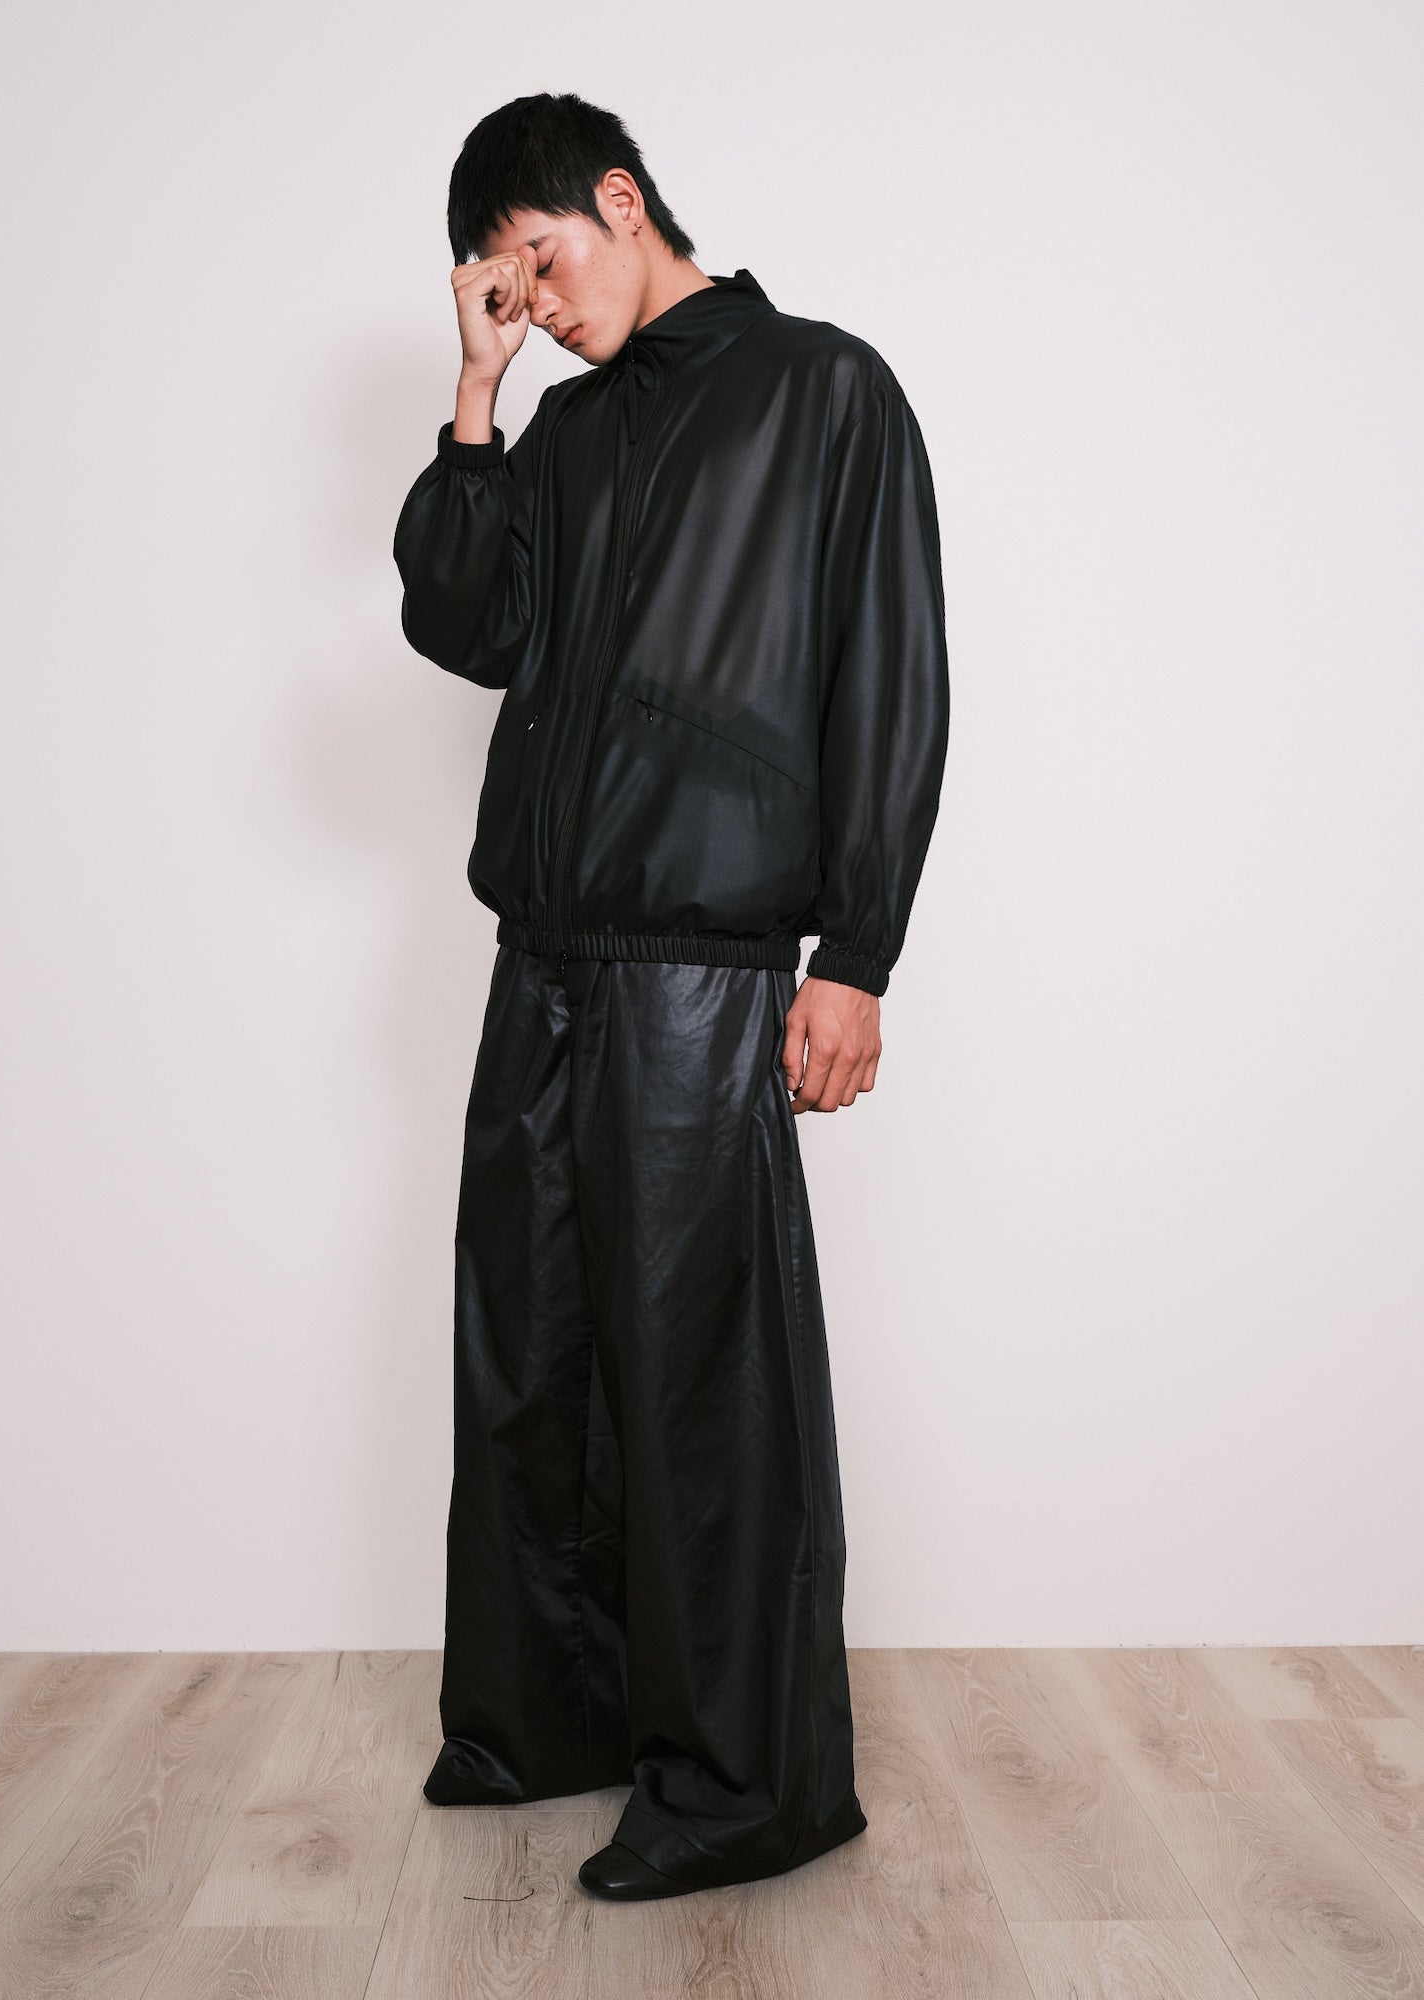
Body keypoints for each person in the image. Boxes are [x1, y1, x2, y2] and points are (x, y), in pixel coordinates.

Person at [393, 90, 949, 1901]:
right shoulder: (557, 432)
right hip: (542, 962)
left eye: (542, 265)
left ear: (620, 201)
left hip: (705, 972)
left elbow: (890, 676)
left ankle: (741, 1786)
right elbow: (467, 629)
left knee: (702, 1379)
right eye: (506, 288)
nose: (538, 306)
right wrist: (475, 400)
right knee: (533, 1357)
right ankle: (549, 1721)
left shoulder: (824, 392)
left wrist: (856, 954)